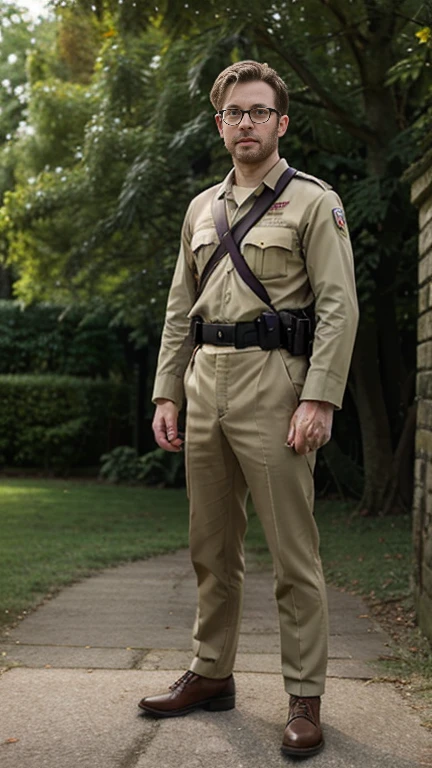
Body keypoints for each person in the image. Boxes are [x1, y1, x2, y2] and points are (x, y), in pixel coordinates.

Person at [138, 60, 359, 758]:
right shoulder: (202, 210)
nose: (246, 123)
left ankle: (303, 697)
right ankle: (211, 674)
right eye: (234, 113)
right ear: (219, 124)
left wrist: (320, 395)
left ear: (281, 121)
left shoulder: (313, 202)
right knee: (211, 547)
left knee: (294, 553)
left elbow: (337, 305)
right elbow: (181, 308)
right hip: (206, 383)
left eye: (259, 111)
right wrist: (167, 390)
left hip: (277, 385)